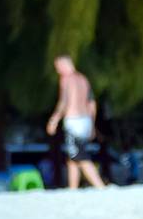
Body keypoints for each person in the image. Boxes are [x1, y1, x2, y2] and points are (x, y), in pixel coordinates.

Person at [44, 56, 108, 188]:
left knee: (81, 157)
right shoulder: (83, 79)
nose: (58, 71)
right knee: (73, 158)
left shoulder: (66, 80)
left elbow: (64, 101)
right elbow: (91, 103)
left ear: (65, 65)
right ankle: (73, 189)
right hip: (85, 121)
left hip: (73, 121)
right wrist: (92, 124)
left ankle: (100, 186)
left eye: (58, 67)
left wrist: (54, 119)